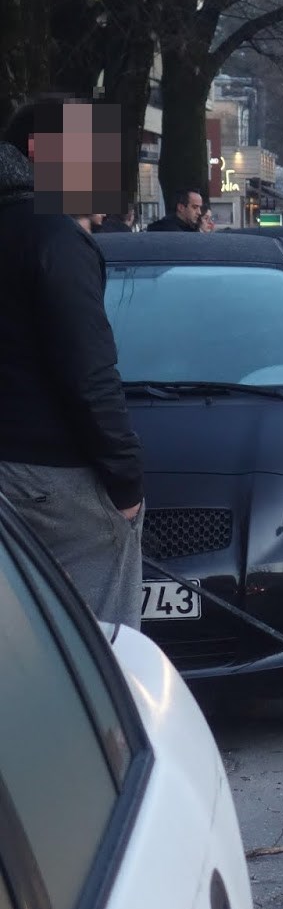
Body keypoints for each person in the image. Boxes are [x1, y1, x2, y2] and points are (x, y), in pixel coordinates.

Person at [0, 98, 145, 627]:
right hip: (50, 470)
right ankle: (103, 706)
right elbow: (88, 374)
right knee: (103, 630)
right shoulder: (56, 237)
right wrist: (125, 481)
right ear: (41, 152)